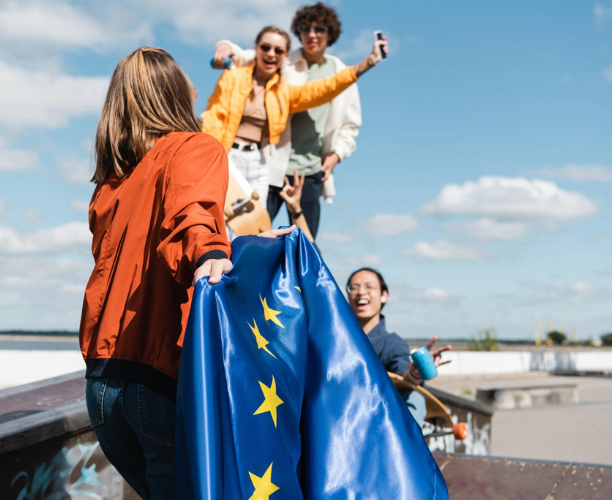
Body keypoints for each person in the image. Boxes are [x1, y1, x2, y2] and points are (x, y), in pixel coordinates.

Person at [79, 47, 293, 499]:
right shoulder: (196, 147)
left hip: (101, 388)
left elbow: (150, 247)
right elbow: (191, 215)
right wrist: (213, 248)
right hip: (155, 382)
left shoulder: (111, 180)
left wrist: (245, 246)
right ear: (173, 92)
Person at [213, 3, 368, 239]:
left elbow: (350, 124)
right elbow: (250, 55)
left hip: (309, 168)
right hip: (272, 163)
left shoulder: (340, 72)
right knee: (253, 234)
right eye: (305, 29)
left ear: (331, 33)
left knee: (305, 241)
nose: (312, 35)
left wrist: (337, 153)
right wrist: (225, 45)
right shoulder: (286, 60)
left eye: (320, 29)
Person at [346, 268, 452, 425]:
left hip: (374, 420)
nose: (361, 292)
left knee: (414, 398)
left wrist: (415, 372)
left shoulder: (392, 343)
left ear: (384, 295)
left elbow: (403, 376)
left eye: (369, 287)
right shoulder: (334, 338)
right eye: (354, 287)